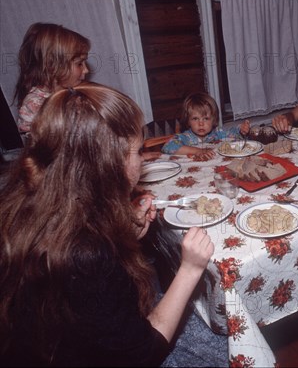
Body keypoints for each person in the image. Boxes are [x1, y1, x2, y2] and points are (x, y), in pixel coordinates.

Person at [0, 82, 228, 366]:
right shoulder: (85, 251)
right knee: (229, 346)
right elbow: (143, 355)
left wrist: (125, 233)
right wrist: (190, 269)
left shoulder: (27, 201)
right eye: (138, 151)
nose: (143, 159)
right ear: (108, 163)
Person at [14, 22, 91, 134]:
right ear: (52, 66)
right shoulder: (36, 105)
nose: (86, 70)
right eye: (79, 64)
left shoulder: (71, 89)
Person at [162, 92, 250, 156]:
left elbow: (232, 133)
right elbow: (168, 147)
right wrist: (196, 151)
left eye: (206, 118)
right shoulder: (185, 137)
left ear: (214, 119)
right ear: (188, 121)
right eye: (195, 118)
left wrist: (241, 129)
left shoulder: (216, 133)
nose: (201, 123)